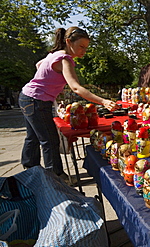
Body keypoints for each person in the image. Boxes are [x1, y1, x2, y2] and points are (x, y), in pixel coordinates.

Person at [18, 26, 118, 185]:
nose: (83, 51)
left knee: (33, 137)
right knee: (50, 140)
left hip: (26, 97)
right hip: (36, 101)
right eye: (81, 47)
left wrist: (51, 85)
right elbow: (76, 87)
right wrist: (103, 101)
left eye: (86, 48)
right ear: (68, 42)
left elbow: (39, 65)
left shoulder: (53, 55)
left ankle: (30, 172)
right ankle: (56, 178)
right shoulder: (65, 59)